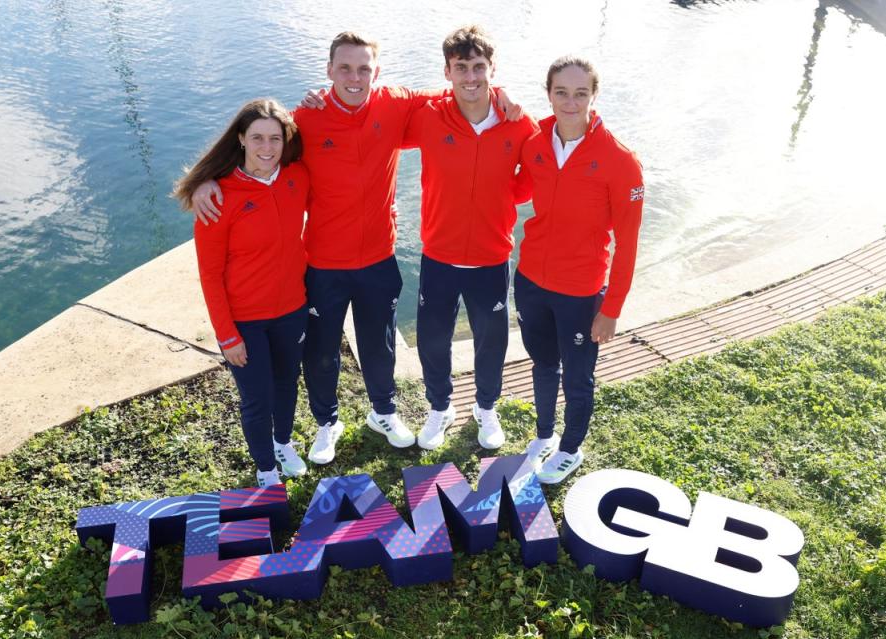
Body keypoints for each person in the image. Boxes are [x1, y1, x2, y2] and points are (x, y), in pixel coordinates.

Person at [191, 32, 522, 465]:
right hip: (324, 263)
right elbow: (260, 147)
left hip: (379, 258)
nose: (354, 77)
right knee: (323, 350)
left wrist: (502, 94)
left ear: (376, 72)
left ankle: (382, 412)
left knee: (379, 344)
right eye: (344, 68)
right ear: (328, 71)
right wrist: (208, 179)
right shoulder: (305, 121)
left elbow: (460, 93)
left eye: (363, 68)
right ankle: (327, 423)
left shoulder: (396, 103)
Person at [402, 25, 536, 451]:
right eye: (461, 68)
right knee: (433, 338)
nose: (471, 77)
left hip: (491, 257)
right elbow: (372, 114)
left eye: (479, 67)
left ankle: (486, 407)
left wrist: (498, 199)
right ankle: (440, 408)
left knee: (491, 339)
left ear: (492, 69)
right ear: (447, 71)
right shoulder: (427, 116)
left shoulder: (519, 124)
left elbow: (531, 178)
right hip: (439, 255)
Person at [515, 56, 644, 484]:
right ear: (548, 93)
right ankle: (545, 435)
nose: (570, 103)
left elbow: (627, 244)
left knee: (578, 376)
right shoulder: (534, 143)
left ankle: (570, 448)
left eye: (580, 93)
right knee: (542, 363)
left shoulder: (620, 160)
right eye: (561, 93)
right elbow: (514, 185)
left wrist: (612, 308)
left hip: (580, 290)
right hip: (531, 279)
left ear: (594, 95)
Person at [174, 98, 310, 488]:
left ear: (286, 141)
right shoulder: (218, 197)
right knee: (257, 397)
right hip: (245, 320)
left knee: (287, 382)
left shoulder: (297, 178)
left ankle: (283, 443)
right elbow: (210, 275)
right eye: (257, 139)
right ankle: (266, 468)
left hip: (292, 309)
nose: (267, 148)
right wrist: (227, 335)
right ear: (241, 139)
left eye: (275, 139)